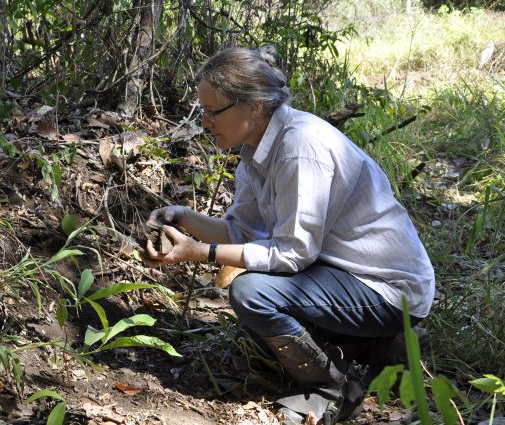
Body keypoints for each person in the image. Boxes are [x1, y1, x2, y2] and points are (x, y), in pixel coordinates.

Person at [144, 46, 435, 424]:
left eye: (213, 112)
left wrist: (201, 252)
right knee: (258, 293)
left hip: (390, 291)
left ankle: (335, 389)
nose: (205, 122)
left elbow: (291, 255)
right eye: (202, 111)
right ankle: (380, 351)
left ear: (255, 106)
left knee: (252, 293)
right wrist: (182, 218)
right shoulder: (254, 152)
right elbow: (242, 232)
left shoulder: (300, 147)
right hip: (344, 275)